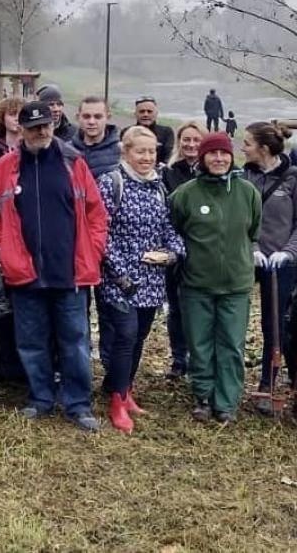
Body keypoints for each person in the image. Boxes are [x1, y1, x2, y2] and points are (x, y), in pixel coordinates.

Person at [0, 101, 108, 432]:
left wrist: (92, 251)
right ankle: (40, 398)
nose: (42, 132)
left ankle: (78, 403)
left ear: (54, 125)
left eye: (46, 125)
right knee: (31, 341)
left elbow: (95, 213)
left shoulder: (73, 164)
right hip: (25, 273)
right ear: (21, 130)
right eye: (34, 127)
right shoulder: (6, 167)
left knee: (75, 340)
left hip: (69, 271)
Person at [97, 126, 186, 433]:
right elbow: (100, 233)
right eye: (140, 151)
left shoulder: (158, 187)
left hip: (151, 279)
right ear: (126, 151)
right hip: (118, 279)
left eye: (151, 151)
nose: (147, 157)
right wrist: (119, 273)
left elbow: (168, 228)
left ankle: (125, 388)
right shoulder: (111, 183)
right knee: (124, 335)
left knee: (139, 337)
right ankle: (117, 402)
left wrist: (174, 252)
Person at [170, 131, 262, 424]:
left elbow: (253, 231)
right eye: (212, 153)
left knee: (232, 343)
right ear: (203, 157)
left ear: (231, 157)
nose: (219, 159)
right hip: (197, 283)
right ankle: (203, 395)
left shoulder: (247, 192)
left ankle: (226, 401)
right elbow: (174, 229)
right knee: (199, 342)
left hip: (236, 283)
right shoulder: (186, 194)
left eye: (224, 153)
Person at [240, 121, 297, 414]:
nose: (242, 148)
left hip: (281, 263)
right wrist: (252, 248)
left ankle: (268, 383)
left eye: (247, 143)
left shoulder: (295, 178)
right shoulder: (242, 175)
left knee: (275, 324)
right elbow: (240, 219)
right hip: (248, 259)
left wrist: (290, 252)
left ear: (264, 148)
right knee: (236, 317)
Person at [160, 120, 205, 380]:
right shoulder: (169, 172)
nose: (191, 145)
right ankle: (179, 359)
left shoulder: (211, 171)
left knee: (197, 308)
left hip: (202, 250)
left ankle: (198, 358)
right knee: (175, 307)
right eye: (186, 140)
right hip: (175, 249)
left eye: (196, 140)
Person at [74, 95, 121, 177]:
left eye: (98, 117)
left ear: (108, 117)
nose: (91, 122)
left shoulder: (121, 152)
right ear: (78, 117)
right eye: (86, 117)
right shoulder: (66, 151)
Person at [131, 96, 174, 164]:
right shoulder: (128, 132)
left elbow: (169, 157)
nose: (145, 114)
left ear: (156, 113)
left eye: (149, 111)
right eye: (142, 112)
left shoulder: (166, 132)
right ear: (135, 114)